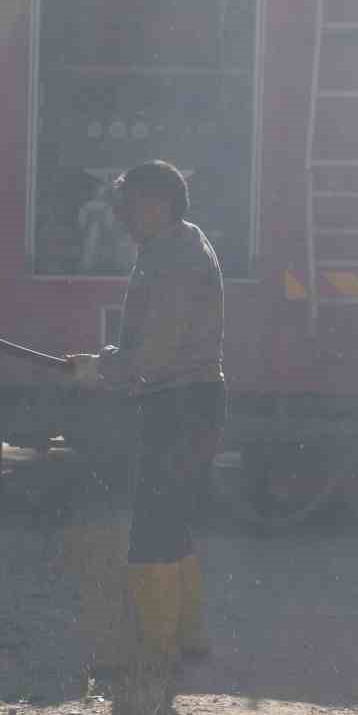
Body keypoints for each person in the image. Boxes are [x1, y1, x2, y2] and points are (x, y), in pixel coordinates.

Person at [66, 160, 225, 667]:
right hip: (191, 399)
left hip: (178, 402)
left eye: (127, 207)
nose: (120, 217)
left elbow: (155, 353)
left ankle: (152, 651)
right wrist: (108, 362)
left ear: (156, 206)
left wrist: (103, 368)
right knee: (171, 522)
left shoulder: (172, 259)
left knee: (153, 527)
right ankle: (187, 636)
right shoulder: (178, 245)